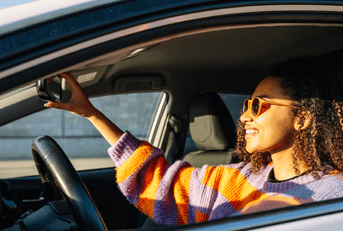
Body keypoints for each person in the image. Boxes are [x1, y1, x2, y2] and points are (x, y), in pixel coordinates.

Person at [44, 57, 343, 226]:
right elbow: (162, 183)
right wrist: (91, 114)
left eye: (258, 106)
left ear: (302, 118)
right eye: (245, 105)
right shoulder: (241, 178)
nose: (244, 118)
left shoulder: (334, 193)